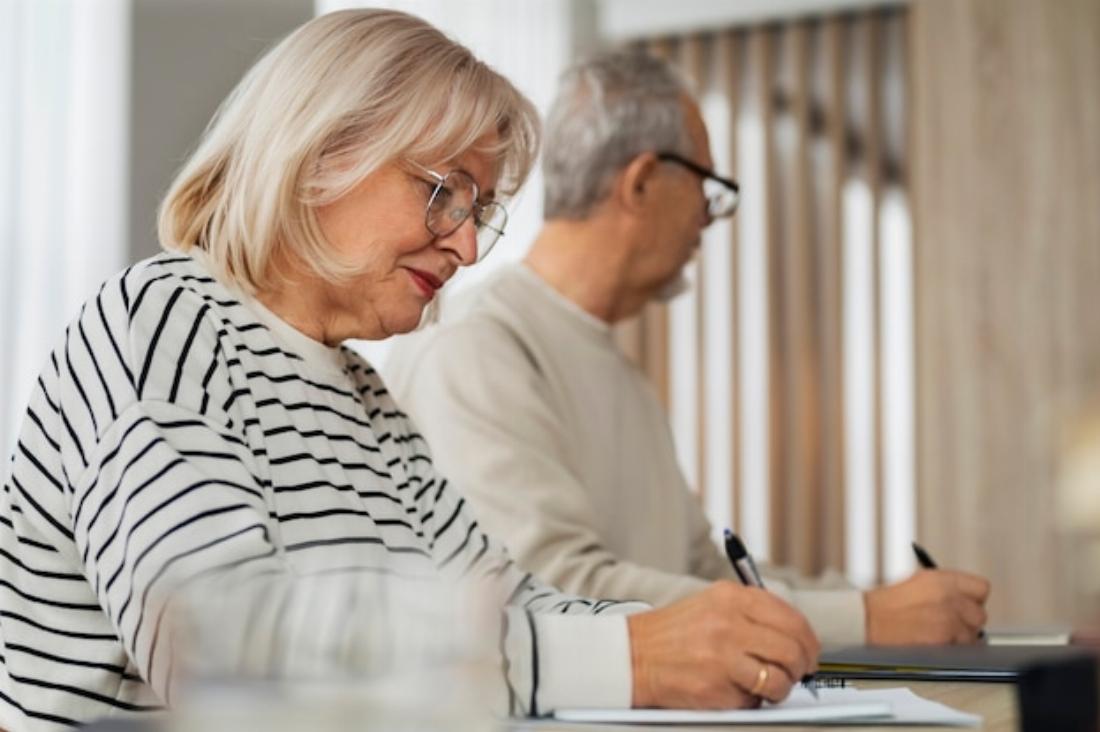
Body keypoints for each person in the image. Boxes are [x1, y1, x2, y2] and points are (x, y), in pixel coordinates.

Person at [0, 12, 820, 731]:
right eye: (444, 193)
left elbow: (512, 602)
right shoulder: (162, 322)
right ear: (317, 153)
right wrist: (632, 655)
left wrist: (689, 632)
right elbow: (224, 653)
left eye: (480, 212)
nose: (466, 247)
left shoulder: (366, 398)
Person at [385, 50, 992, 647]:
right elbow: (555, 590)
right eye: (708, 184)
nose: (710, 216)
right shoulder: (473, 349)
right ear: (642, 182)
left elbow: (704, 570)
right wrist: (864, 619)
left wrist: (875, 604)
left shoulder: (618, 373)